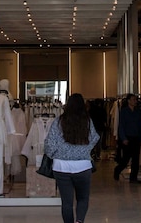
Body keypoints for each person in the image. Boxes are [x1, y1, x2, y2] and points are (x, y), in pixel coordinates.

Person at [44, 93, 100, 223]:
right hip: (83, 165)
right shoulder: (87, 121)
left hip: (61, 166)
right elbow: (95, 138)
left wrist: (53, 155)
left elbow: (50, 144)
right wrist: (85, 150)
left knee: (67, 202)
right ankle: (79, 221)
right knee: (83, 198)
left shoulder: (59, 121)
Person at [113, 94, 141, 184]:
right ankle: (117, 170)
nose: (135, 101)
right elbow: (121, 126)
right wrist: (123, 138)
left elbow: (140, 125)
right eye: (133, 99)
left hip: (136, 138)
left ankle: (133, 178)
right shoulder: (124, 112)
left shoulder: (137, 111)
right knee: (126, 159)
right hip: (127, 137)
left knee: (136, 159)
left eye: (135, 99)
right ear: (128, 101)